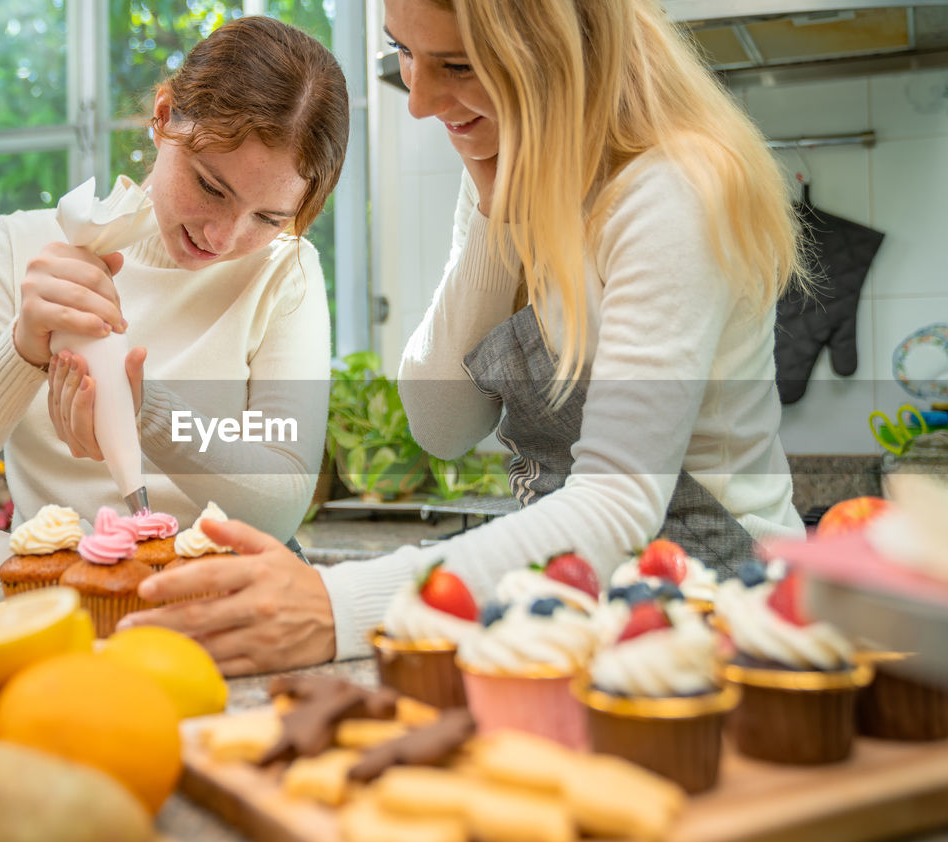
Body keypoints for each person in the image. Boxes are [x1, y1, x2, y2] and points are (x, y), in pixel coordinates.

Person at [121, 0, 809, 674]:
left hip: (724, 608)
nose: (418, 100)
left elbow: (619, 500)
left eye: (455, 63)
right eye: (404, 51)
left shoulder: (671, 190)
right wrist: (494, 213)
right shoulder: (514, 168)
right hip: (578, 602)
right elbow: (440, 423)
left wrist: (337, 605)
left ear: (551, 48)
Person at [0, 16, 349, 546]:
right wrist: (21, 349)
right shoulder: (22, 248)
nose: (223, 236)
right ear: (164, 117)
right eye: (212, 187)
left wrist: (144, 409)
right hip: (47, 605)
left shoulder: (284, 272)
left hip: (215, 611)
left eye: (268, 218)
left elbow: (279, 511)